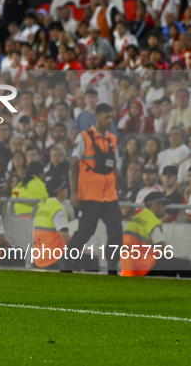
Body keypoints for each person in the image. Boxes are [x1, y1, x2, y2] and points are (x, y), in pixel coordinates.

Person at [69, 103, 122, 274]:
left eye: (111, 117)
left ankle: (112, 267)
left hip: (110, 195)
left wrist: (117, 187)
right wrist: (73, 192)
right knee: (86, 231)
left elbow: (115, 167)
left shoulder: (113, 139)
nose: (109, 120)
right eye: (106, 117)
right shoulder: (83, 137)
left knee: (116, 231)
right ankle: (67, 262)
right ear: (97, 116)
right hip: (90, 194)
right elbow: (73, 165)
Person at [121, 192, 191, 277]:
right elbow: (163, 250)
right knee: (184, 265)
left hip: (128, 266)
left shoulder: (138, 217)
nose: (166, 208)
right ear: (154, 206)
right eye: (163, 205)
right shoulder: (153, 221)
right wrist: (173, 259)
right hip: (143, 265)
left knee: (169, 265)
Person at [33, 179, 72, 270]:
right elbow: (65, 237)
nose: (67, 190)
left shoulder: (42, 207)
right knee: (91, 259)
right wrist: (83, 249)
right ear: (59, 191)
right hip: (55, 259)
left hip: (39, 259)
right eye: (65, 188)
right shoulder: (57, 209)